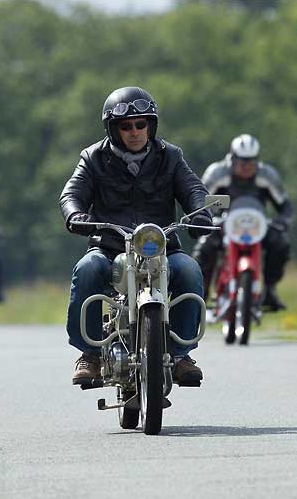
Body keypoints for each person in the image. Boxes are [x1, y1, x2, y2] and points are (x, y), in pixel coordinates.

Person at [59, 86, 212, 388]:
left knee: (190, 270)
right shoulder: (93, 158)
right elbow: (72, 193)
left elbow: (194, 190)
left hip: (161, 247)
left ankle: (181, 355)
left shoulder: (171, 156)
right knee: (87, 269)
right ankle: (89, 354)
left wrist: (201, 213)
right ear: (113, 128)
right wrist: (76, 215)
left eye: (141, 124)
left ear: (151, 125)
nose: (135, 132)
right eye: (126, 126)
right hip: (109, 246)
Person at [192, 134, 293, 311]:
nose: (246, 166)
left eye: (251, 161)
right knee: (204, 247)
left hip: (257, 226)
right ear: (232, 158)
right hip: (223, 224)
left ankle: (269, 290)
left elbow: (284, 206)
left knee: (281, 244)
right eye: (242, 161)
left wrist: (282, 222)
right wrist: (206, 219)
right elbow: (202, 202)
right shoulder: (218, 173)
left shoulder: (267, 175)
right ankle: (201, 293)